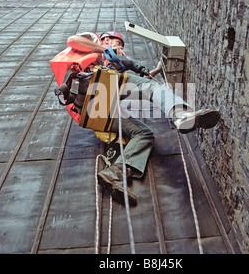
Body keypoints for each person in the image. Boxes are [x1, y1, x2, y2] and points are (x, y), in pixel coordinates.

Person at [66, 31, 220, 206]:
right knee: (152, 87)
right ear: (107, 39)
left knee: (143, 133)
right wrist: (105, 48)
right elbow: (72, 40)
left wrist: (155, 71)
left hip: (95, 111)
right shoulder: (95, 43)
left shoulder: (110, 63)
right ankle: (181, 115)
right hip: (94, 85)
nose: (121, 48)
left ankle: (116, 173)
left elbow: (134, 85)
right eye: (119, 43)